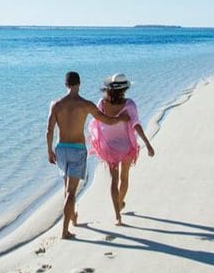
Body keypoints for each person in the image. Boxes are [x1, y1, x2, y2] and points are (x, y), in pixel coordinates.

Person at [46, 71, 129, 239]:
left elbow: (49, 130)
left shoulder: (56, 105)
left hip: (61, 148)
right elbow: (107, 120)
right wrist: (122, 118)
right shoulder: (86, 104)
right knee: (71, 191)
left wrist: (49, 150)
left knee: (67, 188)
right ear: (79, 84)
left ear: (66, 85)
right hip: (77, 149)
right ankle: (64, 231)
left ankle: (73, 216)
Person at [88, 73, 155, 225]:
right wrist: (147, 143)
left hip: (108, 147)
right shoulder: (129, 104)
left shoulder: (102, 103)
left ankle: (117, 216)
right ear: (124, 89)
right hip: (126, 147)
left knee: (114, 179)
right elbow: (136, 124)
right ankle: (119, 203)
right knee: (124, 178)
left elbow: (97, 121)